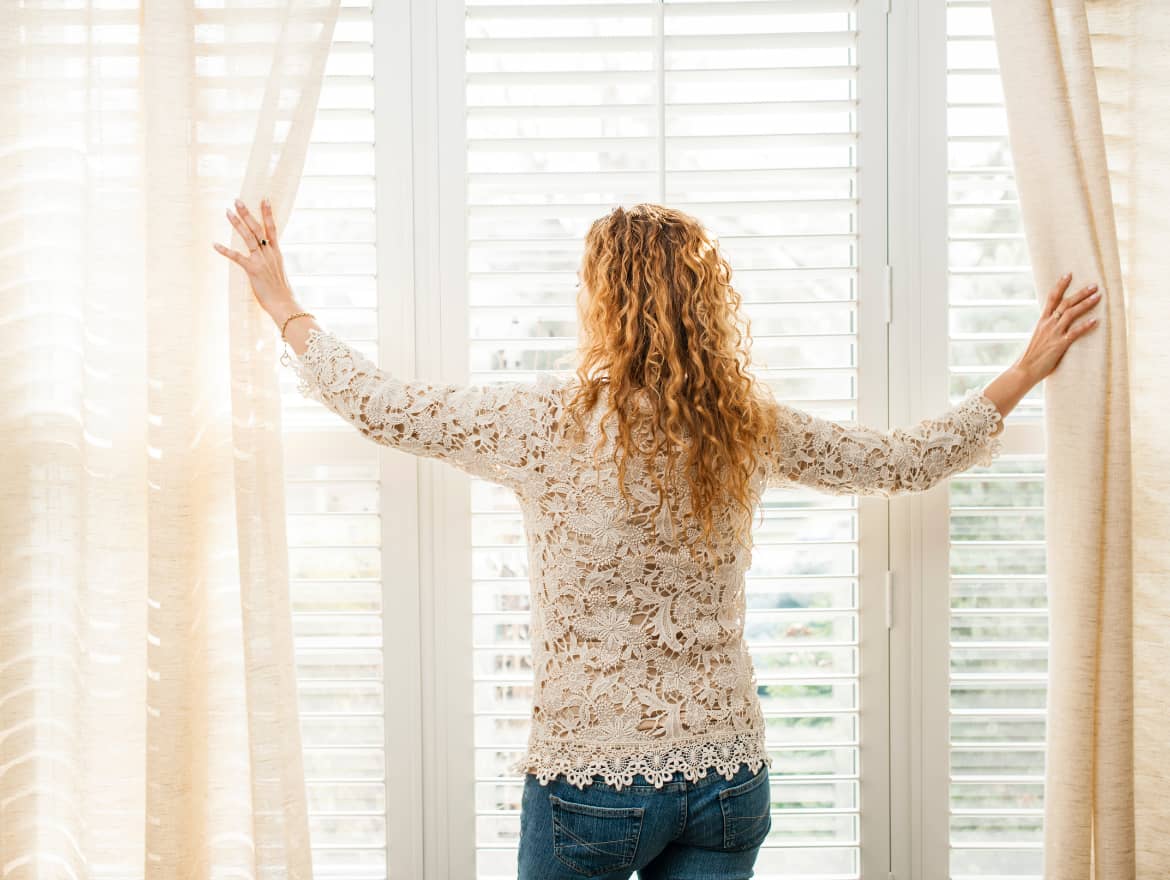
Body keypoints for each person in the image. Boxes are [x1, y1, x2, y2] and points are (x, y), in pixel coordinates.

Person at [214, 198, 1101, 880]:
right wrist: (1024, 368)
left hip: (589, 784)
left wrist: (284, 305)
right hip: (727, 777)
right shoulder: (744, 426)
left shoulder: (546, 423)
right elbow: (901, 460)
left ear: (603, 305)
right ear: (705, 309)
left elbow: (386, 408)